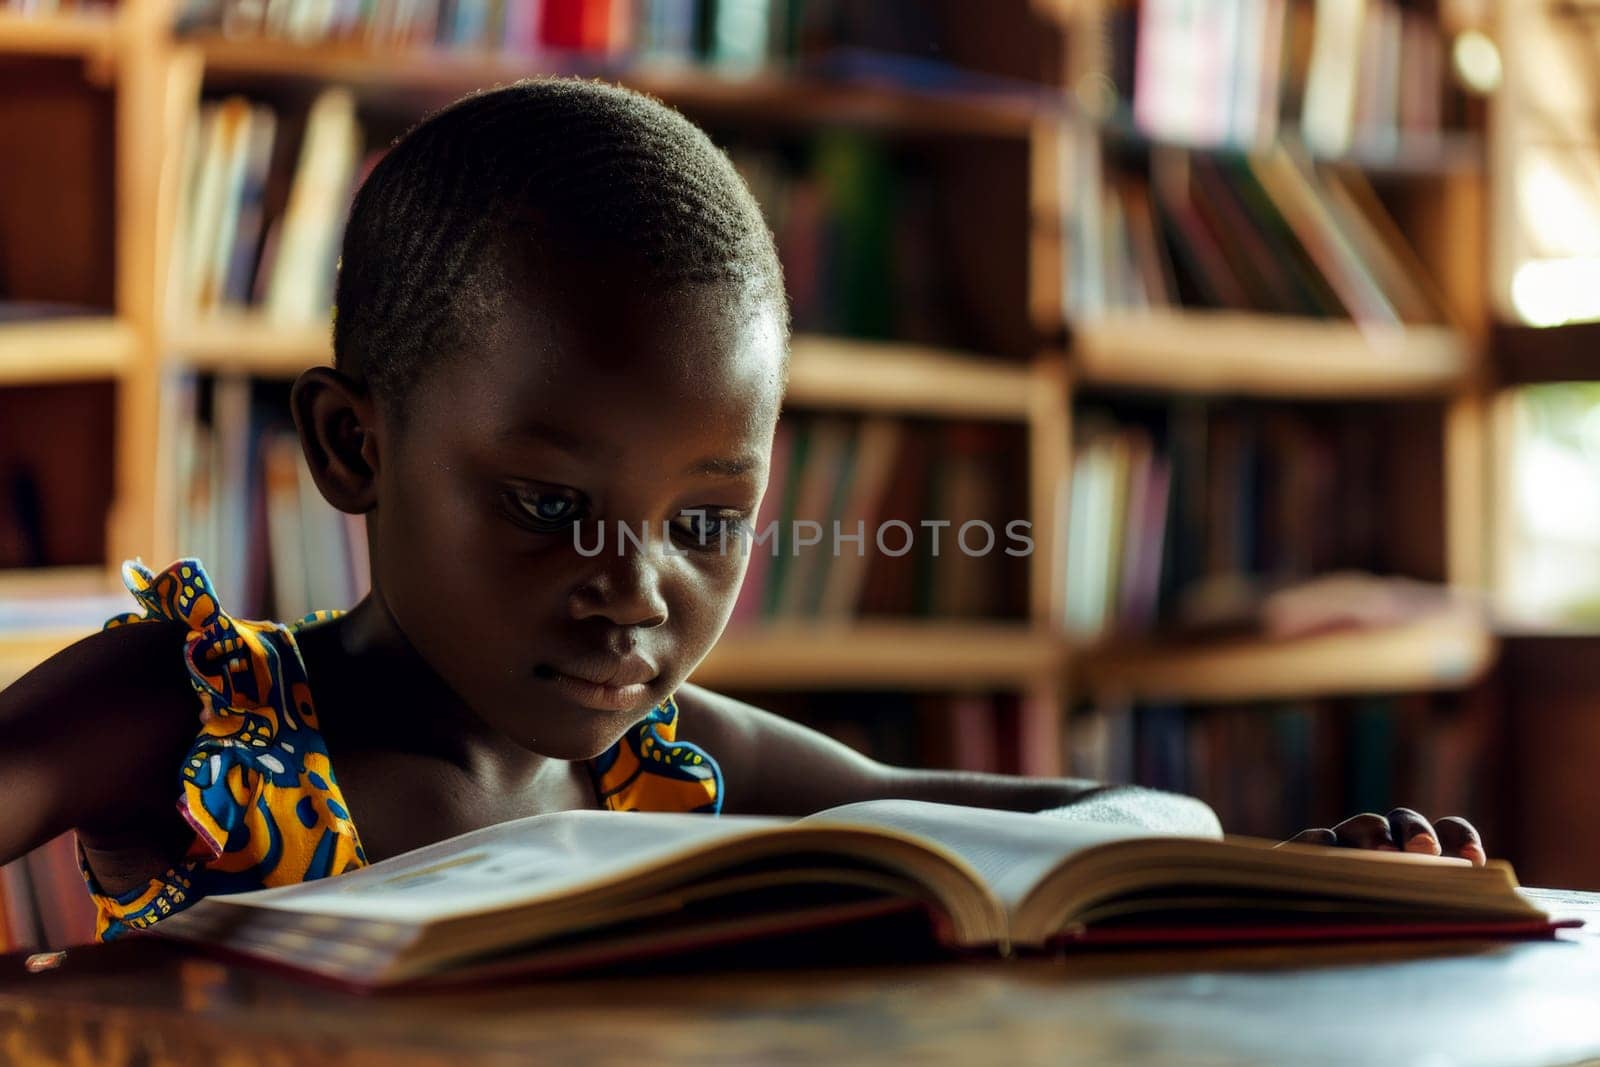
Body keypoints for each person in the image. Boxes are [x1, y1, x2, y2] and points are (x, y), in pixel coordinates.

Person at [0, 79, 1484, 944]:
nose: (634, 592)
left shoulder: (675, 766)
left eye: (706, 525)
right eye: (546, 503)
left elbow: (1080, 830)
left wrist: (1285, 868)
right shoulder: (205, 713)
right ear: (350, 445)